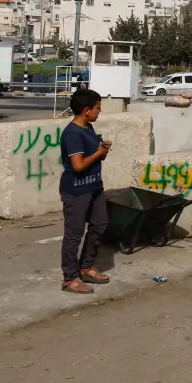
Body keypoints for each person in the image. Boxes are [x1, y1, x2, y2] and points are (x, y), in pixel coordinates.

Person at [58, 88, 112, 294]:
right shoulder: (72, 133)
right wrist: (98, 153)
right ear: (87, 110)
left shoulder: (88, 128)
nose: (100, 112)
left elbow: (96, 156)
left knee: (100, 224)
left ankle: (87, 266)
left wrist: (102, 150)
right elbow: (78, 166)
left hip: (94, 187)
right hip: (77, 191)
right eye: (98, 108)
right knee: (74, 234)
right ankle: (70, 278)